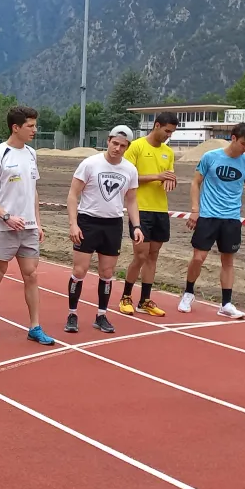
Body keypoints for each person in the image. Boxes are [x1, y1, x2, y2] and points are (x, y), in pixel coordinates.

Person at [177, 122, 245, 319]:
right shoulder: (210, 157)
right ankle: (188, 293)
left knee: (228, 261)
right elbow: (195, 183)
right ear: (234, 138)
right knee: (198, 258)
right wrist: (195, 210)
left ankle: (226, 304)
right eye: (243, 144)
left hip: (231, 219)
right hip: (208, 216)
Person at [0, 106, 56, 345]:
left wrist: (38, 223)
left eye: (35, 125)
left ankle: (35, 326)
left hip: (29, 229)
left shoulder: (32, 154)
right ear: (16, 127)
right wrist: (6, 216)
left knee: (31, 275)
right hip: (4, 228)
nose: (35, 130)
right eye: (30, 126)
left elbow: (33, 191)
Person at [65, 125, 144, 334]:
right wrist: (73, 223)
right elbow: (73, 194)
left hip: (113, 224)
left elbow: (132, 200)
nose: (117, 148)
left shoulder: (130, 170)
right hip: (88, 222)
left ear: (127, 148)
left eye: (122, 146)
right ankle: (72, 313)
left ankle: (101, 315)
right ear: (108, 141)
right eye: (115, 143)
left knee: (107, 273)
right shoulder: (89, 164)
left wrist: (136, 226)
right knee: (79, 271)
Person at [119, 112, 179, 317]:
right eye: (167, 131)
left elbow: (167, 175)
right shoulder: (136, 147)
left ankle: (145, 300)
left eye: (172, 132)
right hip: (141, 208)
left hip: (160, 209)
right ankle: (126, 296)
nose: (169, 135)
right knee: (141, 254)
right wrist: (157, 176)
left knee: (153, 255)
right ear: (156, 125)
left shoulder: (168, 153)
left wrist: (169, 180)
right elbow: (127, 177)